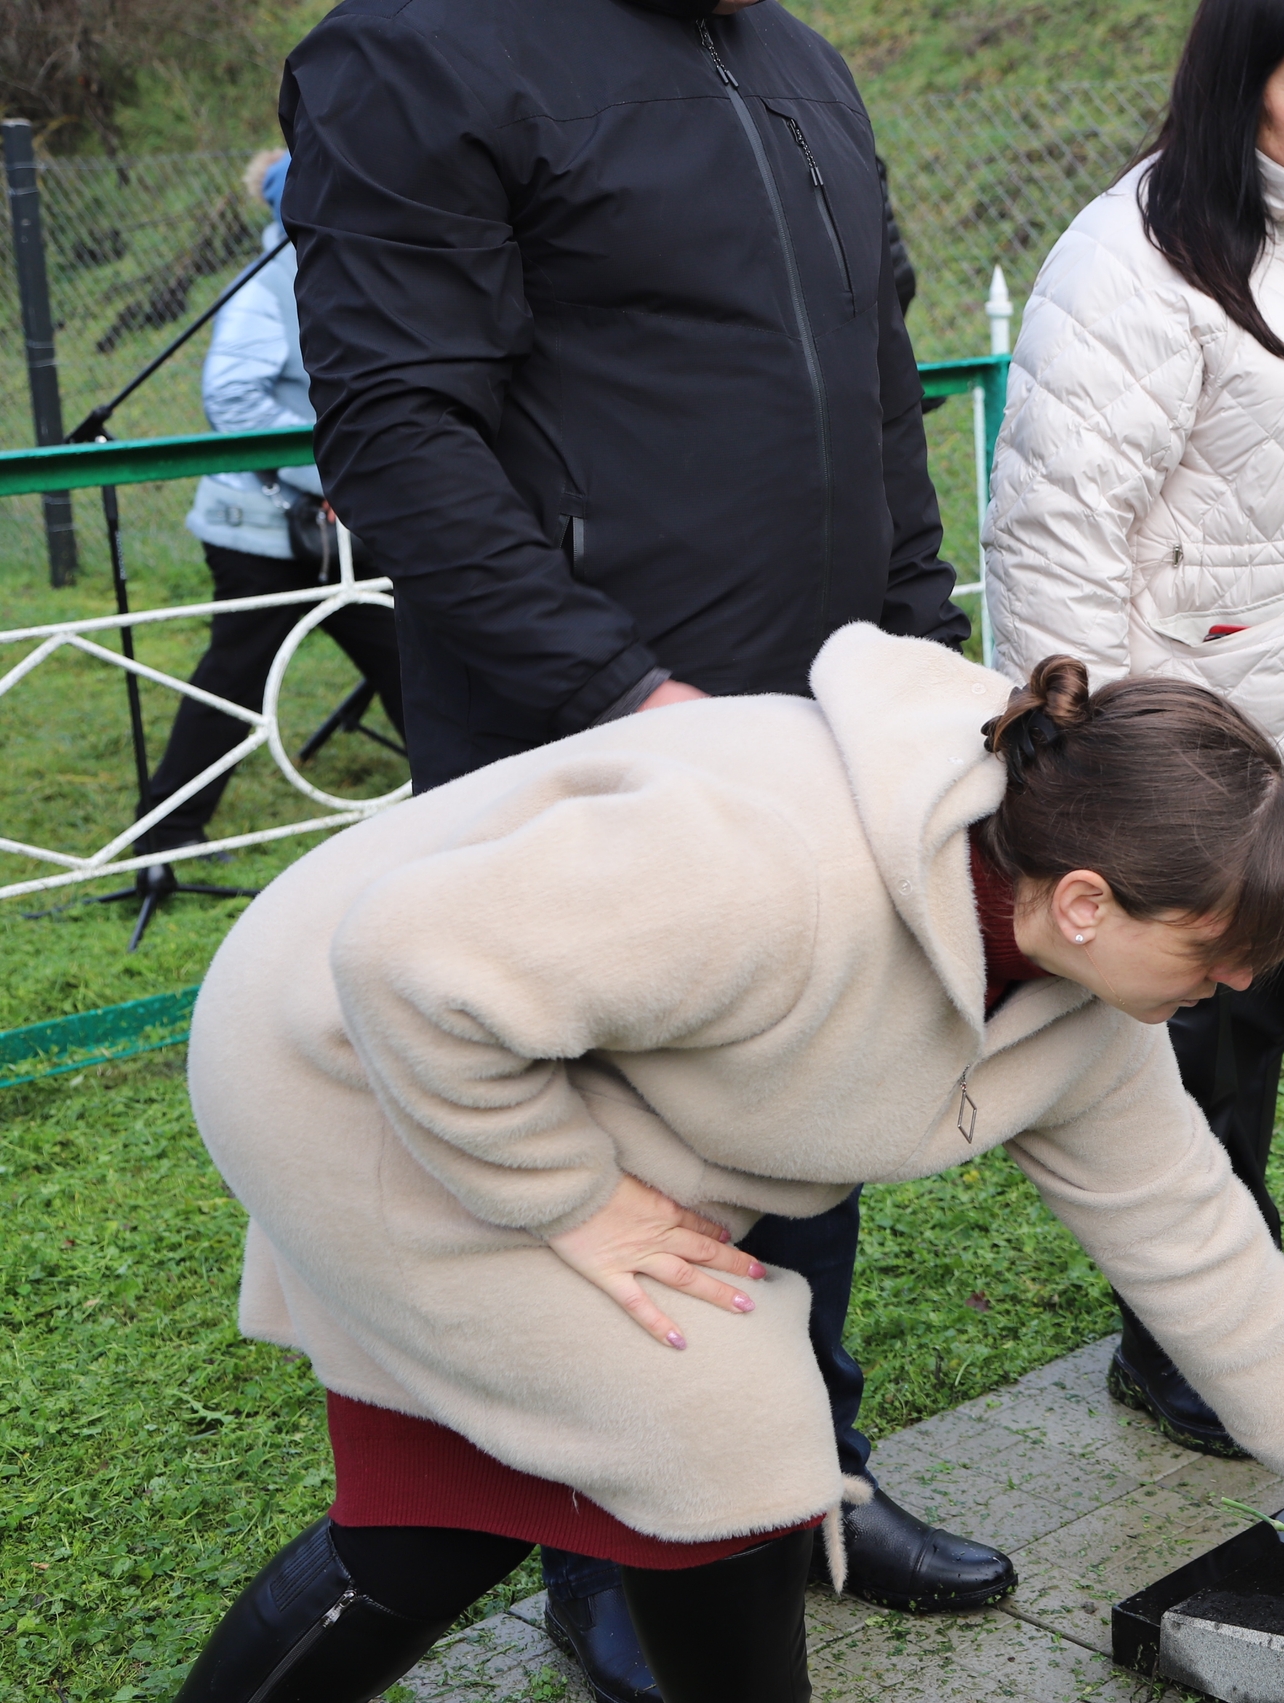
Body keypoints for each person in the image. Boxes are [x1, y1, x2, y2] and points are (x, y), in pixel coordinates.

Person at [169, 628, 1284, 1703]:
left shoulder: (1080, 998)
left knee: (441, 1517)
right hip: (339, 1060)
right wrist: (570, 1198)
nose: (1245, 981)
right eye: (1219, 949)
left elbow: (1188, 1229)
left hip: (515, 1067)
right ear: (1088, 899)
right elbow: (408, 961)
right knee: (725, 1414)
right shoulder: (776, 865)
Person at [278, 0, 1001, 1692]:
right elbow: (396, 428)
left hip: (817, 732)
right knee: (624, 1174)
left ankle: (809, 1474)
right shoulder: (423, 48)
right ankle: (612, 1543)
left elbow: (874, 379)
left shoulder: (801, 61)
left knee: (805, 1113)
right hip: (589, 747)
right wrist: (625, 691)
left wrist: (914, 650)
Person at [982, 0, 1284, 1457]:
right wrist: (1093, 770)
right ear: (1238, 77)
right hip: (1187, 742)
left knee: (1256, 1027)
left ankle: (1239, 1313)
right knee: (1188, 1049)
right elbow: (1059, 525)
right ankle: (1185, 1340)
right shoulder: (1134, 259)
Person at [134, 147, 403, 862]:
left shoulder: (342, 271)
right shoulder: (263, 286)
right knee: (237, 678)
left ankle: (455, 791)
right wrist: (330, 469)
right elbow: (231, 399)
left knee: (406, 648)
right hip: (262, 527)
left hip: (339, 522)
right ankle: (165, 833)